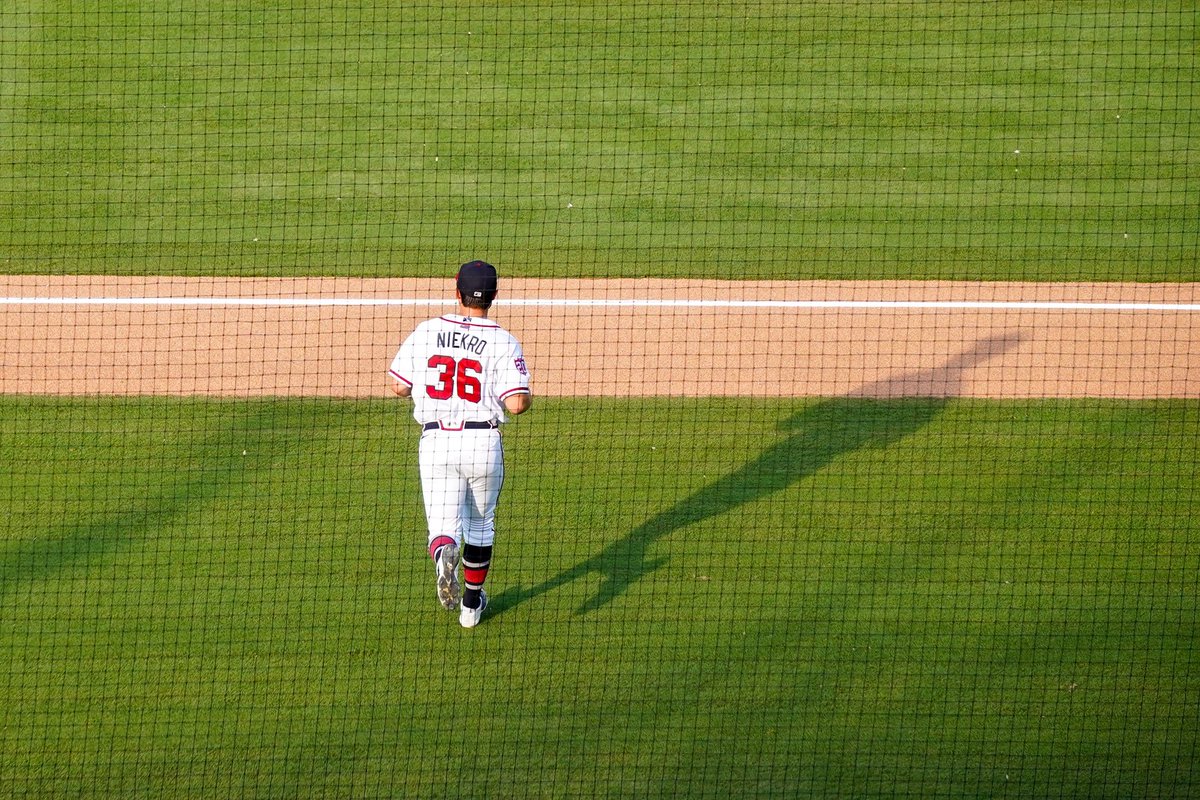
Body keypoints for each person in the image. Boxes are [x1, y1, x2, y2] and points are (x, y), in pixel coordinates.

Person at [388, 260, 532, 628]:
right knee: (481, 526)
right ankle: (471, 607)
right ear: (494, 296)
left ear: (457, 292)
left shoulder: (427, 330)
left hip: (436, 441)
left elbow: (398, 385)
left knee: (443, 527)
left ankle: (443, 555)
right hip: (483, 442)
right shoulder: (503, 339)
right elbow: (516, 404)